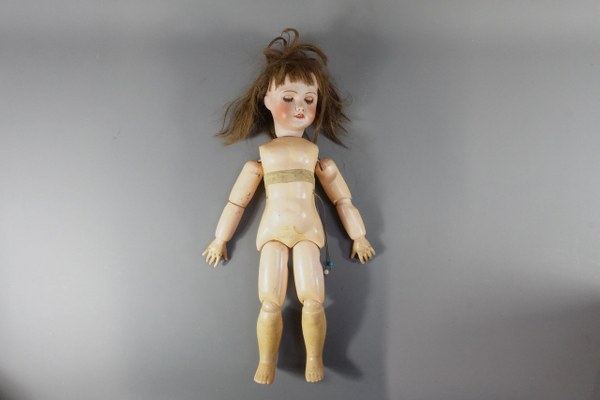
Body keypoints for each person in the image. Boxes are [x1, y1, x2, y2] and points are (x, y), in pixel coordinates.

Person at [202, 28, 375, 384]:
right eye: (289, 97)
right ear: (267, 99)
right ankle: (266, 360)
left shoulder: (318, 160)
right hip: (273, 231)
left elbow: (342, 199)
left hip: (308, 230)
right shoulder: (260, 161)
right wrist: (220, 239)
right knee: (269, 300)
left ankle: (315, 358)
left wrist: (358, 235)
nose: (300, 107)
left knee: (313, 298)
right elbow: (236, 203)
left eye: (309, 99)